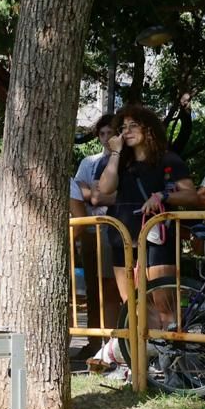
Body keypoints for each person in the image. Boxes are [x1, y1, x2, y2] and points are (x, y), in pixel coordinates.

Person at [98, 105, 200, 309]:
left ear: (149, 129)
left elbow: (191, 196)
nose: (127, 131)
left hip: (157, 238)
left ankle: (170, 341)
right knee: (133, 307)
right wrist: (115, 154)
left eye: (133, 125)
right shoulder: (118, 161)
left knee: (164, 305)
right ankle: (142, 342)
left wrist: (163, 196)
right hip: (123, 238)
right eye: (124, 127)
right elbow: (105, 188)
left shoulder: (168, 159)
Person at [71, 115, 120, 358]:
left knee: (114, 287)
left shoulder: (125, 160)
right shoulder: (89, 162)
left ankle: (115, 343)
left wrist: (100, 197)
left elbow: (105, 196)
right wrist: (95, 195)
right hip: (92, 230)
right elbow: (80, 189)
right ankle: (94, 341)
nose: (106, 138)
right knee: (93, 287)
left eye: (111, 133)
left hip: (117, 228)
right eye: (102, 134)